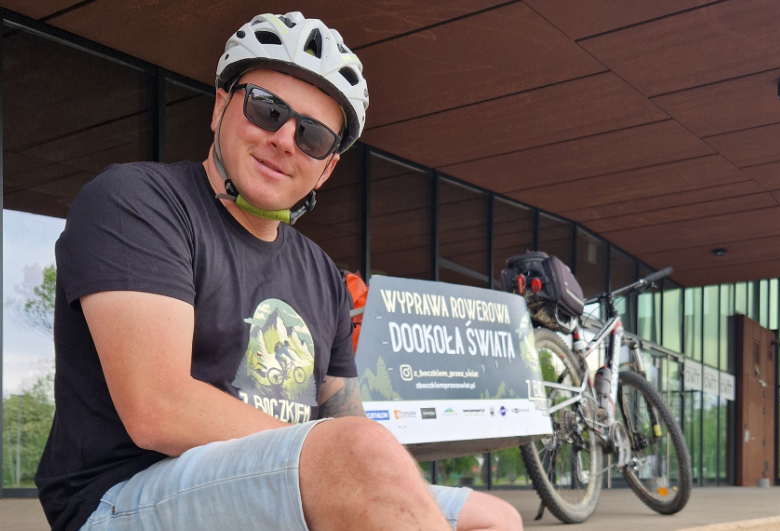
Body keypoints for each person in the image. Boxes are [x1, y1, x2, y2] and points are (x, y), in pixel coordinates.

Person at [35, 12, 523, 531]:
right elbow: (159, 408)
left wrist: (373, 473)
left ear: (327, 167)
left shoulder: (322, 273)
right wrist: (339, 457)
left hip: (281, 483)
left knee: (493, 517)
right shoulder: (138, 202)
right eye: (267, 109)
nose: (286, 139)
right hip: (122, 498)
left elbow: (347, 422)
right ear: (221, 106)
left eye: (313, 136)